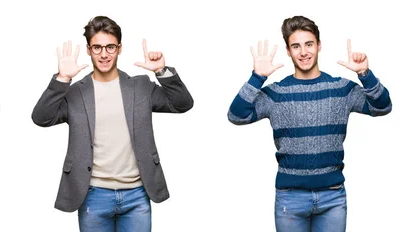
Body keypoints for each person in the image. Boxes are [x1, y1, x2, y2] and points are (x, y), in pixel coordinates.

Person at [227, 15, 392, 232]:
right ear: (288, 51)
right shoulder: (277, 93)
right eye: (296, 46)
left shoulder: (340, 89)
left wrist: (365, 74)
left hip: (332, 197)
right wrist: (257, 77)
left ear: (319, 46)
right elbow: (236, 115)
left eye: (309, 44)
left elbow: (382, 107)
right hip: (290, 199)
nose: (303, 52)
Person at [31, 15, 193, 232]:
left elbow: (182, 104)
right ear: (88, 50)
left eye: (110, 47)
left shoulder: (141, 86)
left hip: (137, 195)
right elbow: (41, 118)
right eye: (97, 48)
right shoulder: (75, 92)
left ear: (119, 48)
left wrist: (160, 71)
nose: (104, 54)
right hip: (93, 195)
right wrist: (62, 78)